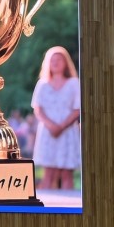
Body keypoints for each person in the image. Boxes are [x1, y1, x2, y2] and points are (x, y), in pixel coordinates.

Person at [31, 46, 81, 190]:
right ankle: (46, 203)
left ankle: (69, 203)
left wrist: (61, 126)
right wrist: (51, 126)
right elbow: (38, 109)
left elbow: (77, 109)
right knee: (49, 173)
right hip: (48, 132)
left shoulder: (73, 83)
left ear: (66, 62)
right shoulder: (42, 84)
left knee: (66, 173)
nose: (55, 63)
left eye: (59, 59)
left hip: (68, 132)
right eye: (52, 60)